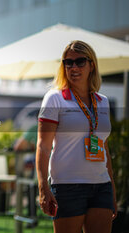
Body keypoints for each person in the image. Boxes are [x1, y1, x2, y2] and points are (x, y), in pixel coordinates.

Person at [36, 40, 117, 233]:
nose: (73, 67)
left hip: (101, 186)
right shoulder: (55, 98)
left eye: (80, 62)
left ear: (92, 65)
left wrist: (112, 188)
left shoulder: (102, 102)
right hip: (67, 186)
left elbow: (103, 148)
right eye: (68, 62)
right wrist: (43, 188)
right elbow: (43, 146)